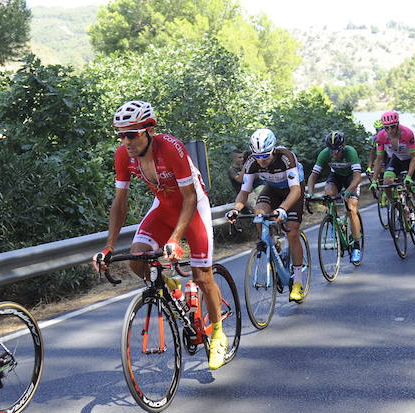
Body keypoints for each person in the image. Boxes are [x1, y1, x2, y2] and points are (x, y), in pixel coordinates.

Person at [92, 100, 228, 370]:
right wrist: (108, 247)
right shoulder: (123, 156)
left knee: (202, 276)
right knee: (136, 260)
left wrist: (175, 240)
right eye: (121, 135)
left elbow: (189, 198)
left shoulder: (170, 148)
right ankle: (172, 288)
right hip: (164, 207)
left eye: (131, 134)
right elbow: (120, 203)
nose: (126, 141)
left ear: (147, 130)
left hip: (193, 208)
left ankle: (218, 335)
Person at [225, 128, 307, 302]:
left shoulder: (286, 157)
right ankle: (274, 247)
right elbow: (244, 192)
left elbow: (295, 190)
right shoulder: (252, 162)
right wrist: (235, 209)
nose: (261, 161)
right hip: (273, 188)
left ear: (273, 150)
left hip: (293, 190)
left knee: (292, 231)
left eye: (265, 156)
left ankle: (298, 282)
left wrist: (283, 209)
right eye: (258, 156)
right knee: (259, 214)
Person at [306, 130, 363, 264]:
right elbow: (313, 176)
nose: (334, 154)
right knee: (328, 193)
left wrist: (348, 192)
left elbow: (358, 177)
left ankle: (356, 245)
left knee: (351, 207)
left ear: (343, 147)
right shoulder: (324, 154)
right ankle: (335, 222)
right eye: (331, 151)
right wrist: (309, 193)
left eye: (337, 150)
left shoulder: (350, 152)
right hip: (336, 176)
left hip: (351, 178)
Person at [370, 110, 415, 242]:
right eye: (386, 127)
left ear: (398, 124)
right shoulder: (381, 136)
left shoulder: (407, 133)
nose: (390, 130)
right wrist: (374, 180)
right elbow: (379, 159)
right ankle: (395, 205)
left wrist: (408, 176)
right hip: (396, 159)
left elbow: (414, 157)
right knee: (387, 182)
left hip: (411, 159)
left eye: (393, 126)